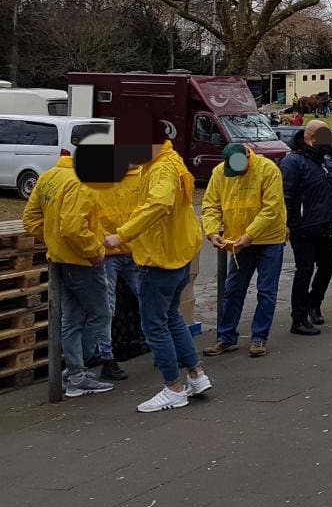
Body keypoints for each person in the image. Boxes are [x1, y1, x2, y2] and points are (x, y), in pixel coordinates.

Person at [104, 128, 210, 413]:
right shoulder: (168, 161)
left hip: (160, 259)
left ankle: (173, 388)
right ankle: (196, 374)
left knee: (154, 325)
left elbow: (159, 205)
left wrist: (122, 235)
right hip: (176, 255)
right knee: (172, 318)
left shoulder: (161, 168)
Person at [23, 155, 114, 398]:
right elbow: (73, 228)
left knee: (71, 320)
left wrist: (54, 240)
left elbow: (30, 220)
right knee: (101, 315)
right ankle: (76, 373)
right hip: (82, 262)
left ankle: (74, 376)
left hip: (60, 259)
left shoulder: (49, 176)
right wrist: (94, 251)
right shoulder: (81, 183)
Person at [200, 144, 288, 359]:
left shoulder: (268, 169)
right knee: (233, 290)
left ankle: (259, 337)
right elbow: (211, 205)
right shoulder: (220, 172)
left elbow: (271, 208)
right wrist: (212, 232)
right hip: (239, 240)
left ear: (248, 158)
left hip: (269, 239)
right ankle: (226, 337)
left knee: (266, 290)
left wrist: (249, 235)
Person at [281, 120, 332, 336]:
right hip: (303, 227)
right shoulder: (293, 162)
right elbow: (285, 196)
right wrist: (289, 224)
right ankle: (298, 318)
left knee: (328, 265)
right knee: (304, 270)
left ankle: (313, 304)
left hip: (325, 224)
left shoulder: (325, 160)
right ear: (310, 137)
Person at [90, 164, 145, 380]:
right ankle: (106, 357)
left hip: (132, 250)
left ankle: (160, 346)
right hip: (109, 253)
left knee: (148, 300)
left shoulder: (141, 175)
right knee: (107, 307)